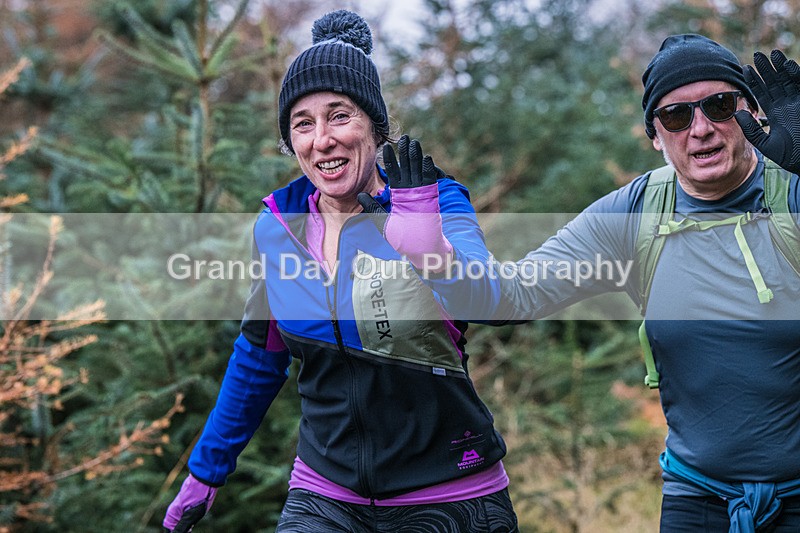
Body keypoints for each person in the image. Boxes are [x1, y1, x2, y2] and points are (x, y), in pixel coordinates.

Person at [359, 35, 800, 532]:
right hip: (697, 497)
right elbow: (512, 297)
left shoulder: (791, 190)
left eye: (719, 106)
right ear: (655, 136)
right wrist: (434, 256)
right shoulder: (635, 214)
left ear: (751, 112)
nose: (701, 129)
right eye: (676, 116)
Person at [161, 10, 519, 533]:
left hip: (450, 493)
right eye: (303, 124)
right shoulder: (279, 228)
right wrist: (206, 470)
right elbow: (260, 354)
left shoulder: (434, 201)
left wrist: (431, 251)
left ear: (375, 126)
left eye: (339, 116)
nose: (322, 140)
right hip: (324, 494)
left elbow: (492, 299)